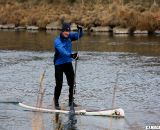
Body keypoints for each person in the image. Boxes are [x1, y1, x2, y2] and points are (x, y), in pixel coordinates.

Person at [53, 22, 83, 109]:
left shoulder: (70, 36)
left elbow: (78, 36)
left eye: (68, 31)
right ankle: (56, 102)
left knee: (72, 83)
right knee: (59, 84)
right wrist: (71, 55)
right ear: (62, 31)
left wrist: (81, 30)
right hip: (59, 64)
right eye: (66, 31)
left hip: (68, 63)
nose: (67, 33)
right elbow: (62, 51)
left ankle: (71, 102)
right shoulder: (57, 41)